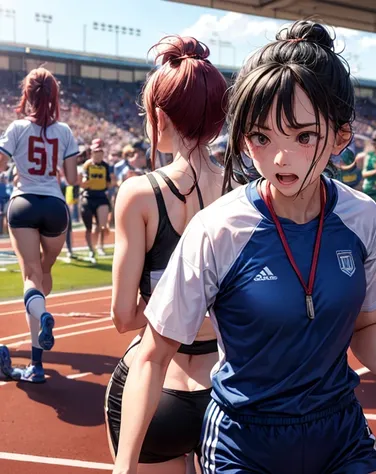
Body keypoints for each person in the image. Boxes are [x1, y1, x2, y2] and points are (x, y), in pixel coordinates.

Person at [113, 21, 376, 474]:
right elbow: (151, 357)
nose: (278, 159)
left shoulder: (361, 217)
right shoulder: (219, 228)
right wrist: (124, 467)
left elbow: (366, 328)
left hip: (341, 436)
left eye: (304, 136)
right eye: (260, 138)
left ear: (341, 137)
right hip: (244, 445)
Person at [107, 35, 228, 474]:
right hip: (232, 389)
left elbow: (123, 316)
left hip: (156, 389)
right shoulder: (249, 194)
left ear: (160, 116)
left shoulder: (139, 195)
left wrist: (176, 307)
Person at [0, 67, 78, 383]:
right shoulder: (65, 131)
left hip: (23, 204)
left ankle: (41, 317)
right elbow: (72, 179)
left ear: (27, 95)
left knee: (30, 278)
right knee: (43, 274)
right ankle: (37, 364)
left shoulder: (17, 127)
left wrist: (16, 173)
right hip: (55, 207)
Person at [80, 138, 111, 262]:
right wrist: (85, 182)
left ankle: (100, 246)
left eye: (100, 152)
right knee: (89, 227)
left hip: (101, 196)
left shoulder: (106, 166)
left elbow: (109, 182)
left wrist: (108, 183)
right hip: (88, 196)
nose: (98, 154)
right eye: (95, 152)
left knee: (102, 225)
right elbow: (83, 181)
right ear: (91, 153)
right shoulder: (87, 165)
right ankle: (91, 249)